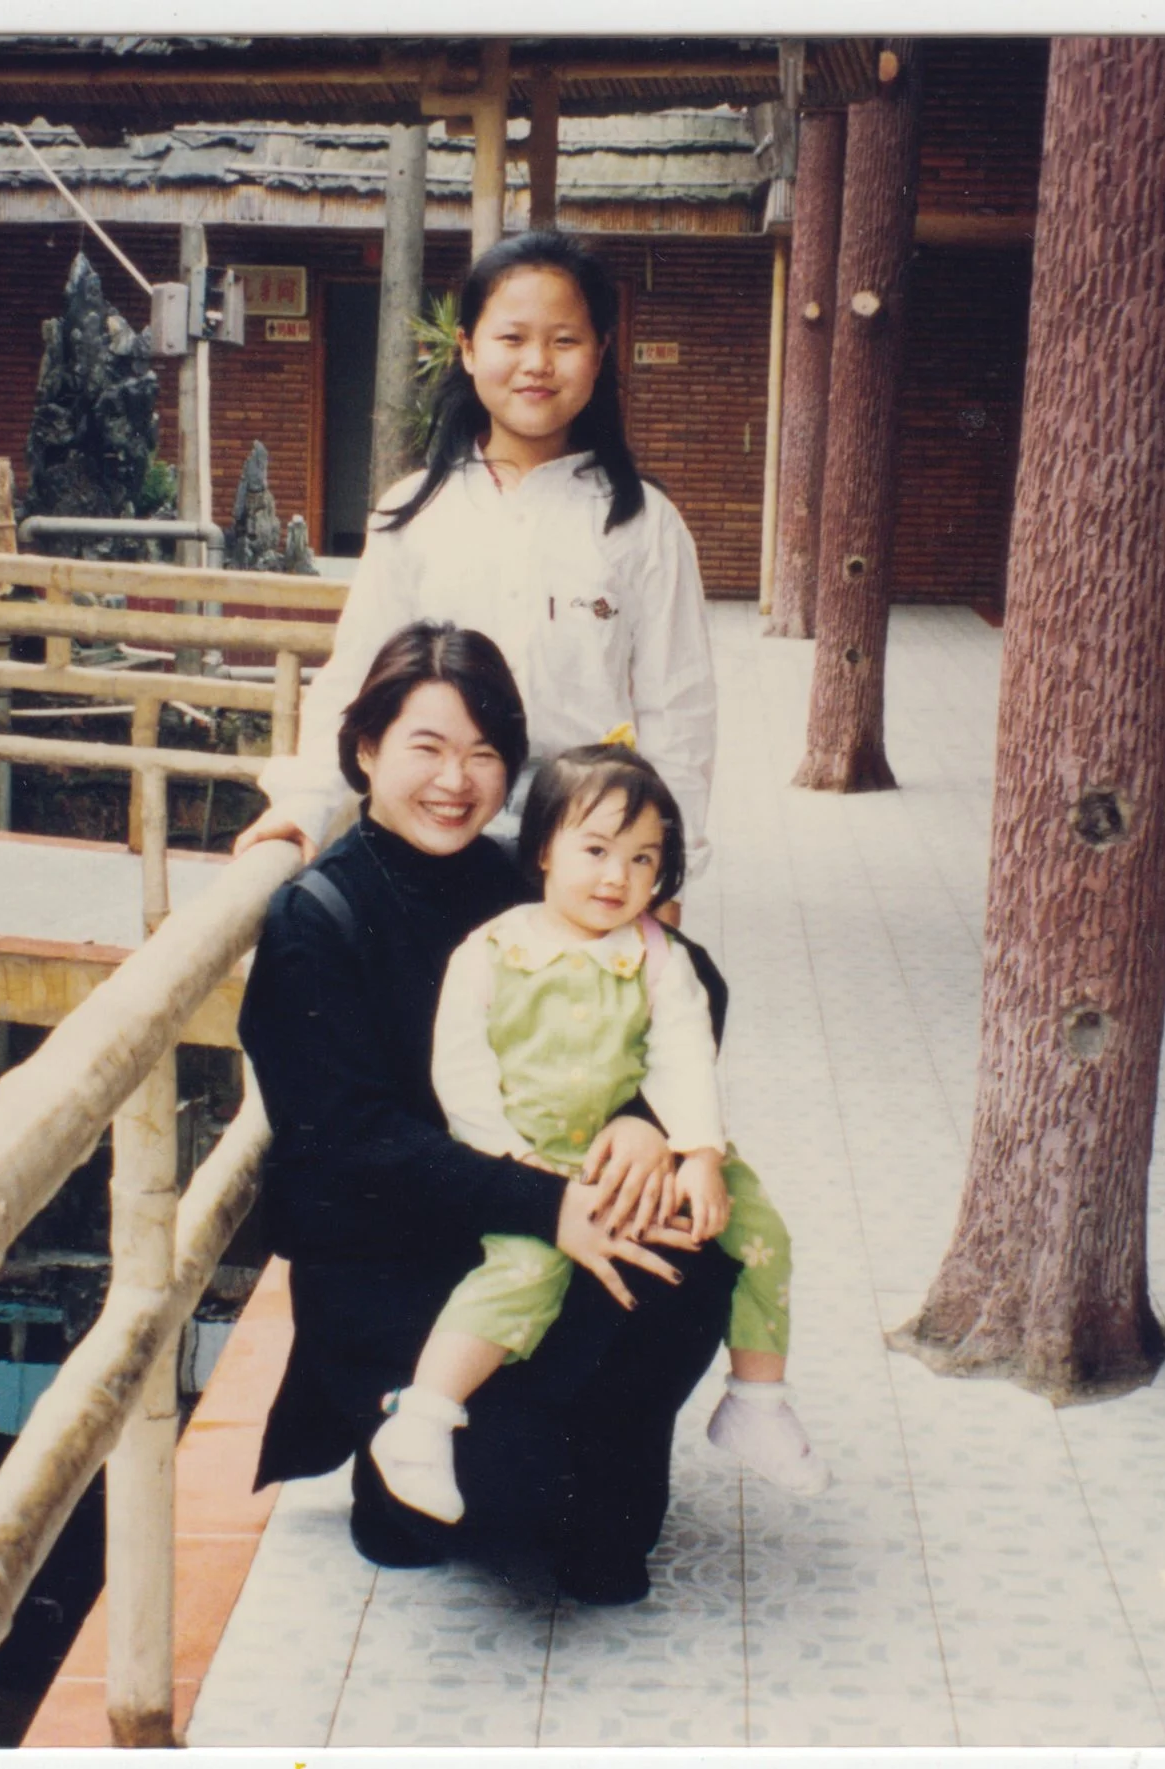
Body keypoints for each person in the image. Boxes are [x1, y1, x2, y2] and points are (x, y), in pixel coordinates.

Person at [239, 621, 738, 1605]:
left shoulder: (519, 870)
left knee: (688, 1253)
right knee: (501, 1493)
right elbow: (350, 1140)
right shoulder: (317, 922)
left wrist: (643, 1119)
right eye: (425, 747)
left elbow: (693, 978)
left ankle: (604, 1483)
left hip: (535, 1214)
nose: (454, 780)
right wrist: (550, 1204)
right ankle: (411, 1459)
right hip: (395, 1250)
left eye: (483, 754)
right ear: (367, 749)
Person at [368, 743, 829, 1527]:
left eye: (642, 858)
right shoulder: (492, 949)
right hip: (535, 1159)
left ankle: (756, 1397)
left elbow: (684, 1049)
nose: (617, 877)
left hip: (636, 1155)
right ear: (544, 847)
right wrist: (515, 1165)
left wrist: (699, 1154)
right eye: (595, 850)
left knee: (762, 1234)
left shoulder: (654, 953)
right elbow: (463, 1069)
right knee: (520, 1273)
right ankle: (423, 1418)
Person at [237, 230, 719, 892]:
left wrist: (666, 874)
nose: (537, 363)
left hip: (582, 853)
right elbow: (355, 680)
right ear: (466, 347)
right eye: (512, 338)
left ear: (601, 352)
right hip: (434, 826)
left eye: (565, 340)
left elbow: (679, 712)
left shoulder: (644, 525)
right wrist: (305, 803)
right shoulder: (412, 511)